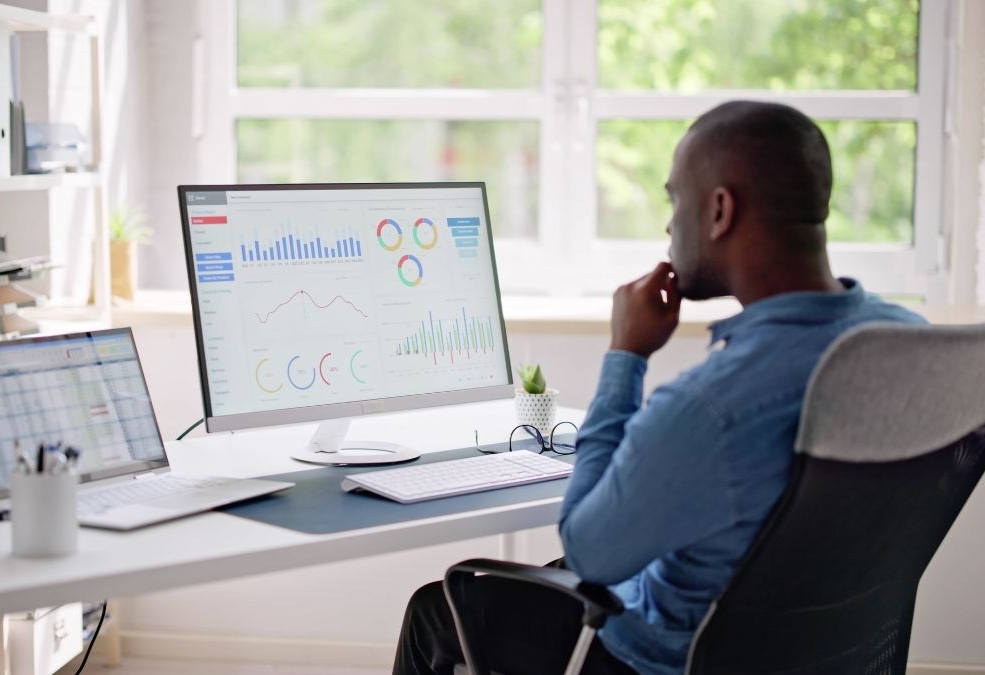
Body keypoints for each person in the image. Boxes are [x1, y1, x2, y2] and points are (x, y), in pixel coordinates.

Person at [392, 100, 926, 675]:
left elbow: (589, 553)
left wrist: (626, 355)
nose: (671, 225)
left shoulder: (713, 406)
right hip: (823, 649)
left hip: (662, 657)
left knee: (437, 609)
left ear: (720, 210)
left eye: (676, 199)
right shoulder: (909, 344)